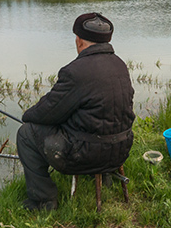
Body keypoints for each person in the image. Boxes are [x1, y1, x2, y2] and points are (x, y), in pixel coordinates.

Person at [15, 12, 135, 211]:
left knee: (26, 134)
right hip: (121, 151)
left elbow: (47, 112)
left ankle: (43, 201)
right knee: (99, 119)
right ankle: (105, 177)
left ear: (79, 41)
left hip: (85, 156)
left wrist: (27, 116)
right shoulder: (120, 65)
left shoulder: (75, 71)